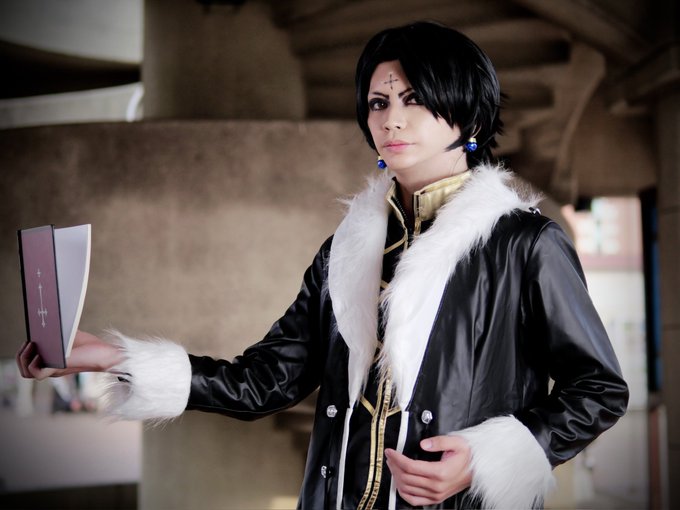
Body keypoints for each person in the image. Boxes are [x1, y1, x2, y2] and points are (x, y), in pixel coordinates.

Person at [17, 21, 628, 510]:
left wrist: (487, 457)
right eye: (378, 102)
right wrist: (115, 358)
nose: (390, 118)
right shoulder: (348, 248)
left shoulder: (524, 243)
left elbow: (599, 389)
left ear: (467, 116)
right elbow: (265, 379)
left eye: (414, 99)